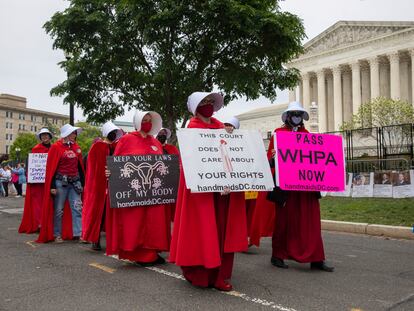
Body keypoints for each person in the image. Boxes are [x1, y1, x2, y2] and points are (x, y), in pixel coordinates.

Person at [169, 92, 248, 291]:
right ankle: (199, 272)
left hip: (223, 190)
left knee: (221, 230)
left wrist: (229, 180)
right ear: (196, 107)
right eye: (204, 102)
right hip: (201, 192)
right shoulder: (192, 128)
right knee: (201, 229)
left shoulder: (221, 127)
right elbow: (192, 161)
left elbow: (229, 156)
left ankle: (219, 274)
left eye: (210, 102)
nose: (208, 105)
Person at [269, 101, 334, 272]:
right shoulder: (278, 134)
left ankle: (316, 258)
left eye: (299, 114)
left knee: (311, 222)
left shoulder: (308, 135)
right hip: (286, 189)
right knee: (284, 222)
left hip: (306, 189)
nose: (297, 117)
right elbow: (269, 161)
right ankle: (278, 255)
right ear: (288, 117)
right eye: (294, 114)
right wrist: (274, 157)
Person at [105, 111, 171, 265]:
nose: (147, 123)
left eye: (149, 120)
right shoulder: (126, 140)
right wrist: (110, 171)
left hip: (153, 191)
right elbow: (117, 163)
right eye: (144, 120)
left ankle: (152, 252)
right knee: (135, 222)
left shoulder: (155, 143)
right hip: (134, 192)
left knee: (154, 222)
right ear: (137, 122)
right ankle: (138, 254)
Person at [37, 124, 85, 243]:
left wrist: (82, 182)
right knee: (59, 210)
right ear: (67, 134)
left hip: (75, 182)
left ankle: (78, 234)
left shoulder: (76, 147)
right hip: (60, 182)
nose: (75, 135)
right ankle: (57, 234)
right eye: (73, 133)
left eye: (75, 133)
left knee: (77, 208)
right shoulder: (56, 147)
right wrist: (52, 186)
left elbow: (80, 166)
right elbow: (51, 168)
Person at [82, 121, 123, 251]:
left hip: (113, 184)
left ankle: (114, 241)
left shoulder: (117, 147)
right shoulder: (97, 147)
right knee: (99, 212)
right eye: (111, 133)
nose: (114, 135)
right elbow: (93, 168)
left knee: (112, 214)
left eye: (115, 133)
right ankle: (96, 239)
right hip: (99, 185)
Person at [19, 128, 53, 233]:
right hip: (38, 182)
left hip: (51, 180)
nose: (44, 137)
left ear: (50, 137)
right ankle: (39, 224)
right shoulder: (36, 149)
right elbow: (31, 165)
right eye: (42, 136)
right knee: (38, 203)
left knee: (50, 203)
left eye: (46, 135)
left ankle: (49, 223)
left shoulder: (54, 148)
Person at [156, 127, 180, 221]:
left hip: (170, 181)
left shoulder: (172, 148)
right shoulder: (151, 147)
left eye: (164, 134)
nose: (162, 135)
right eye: (160, 133)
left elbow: (178, 162)